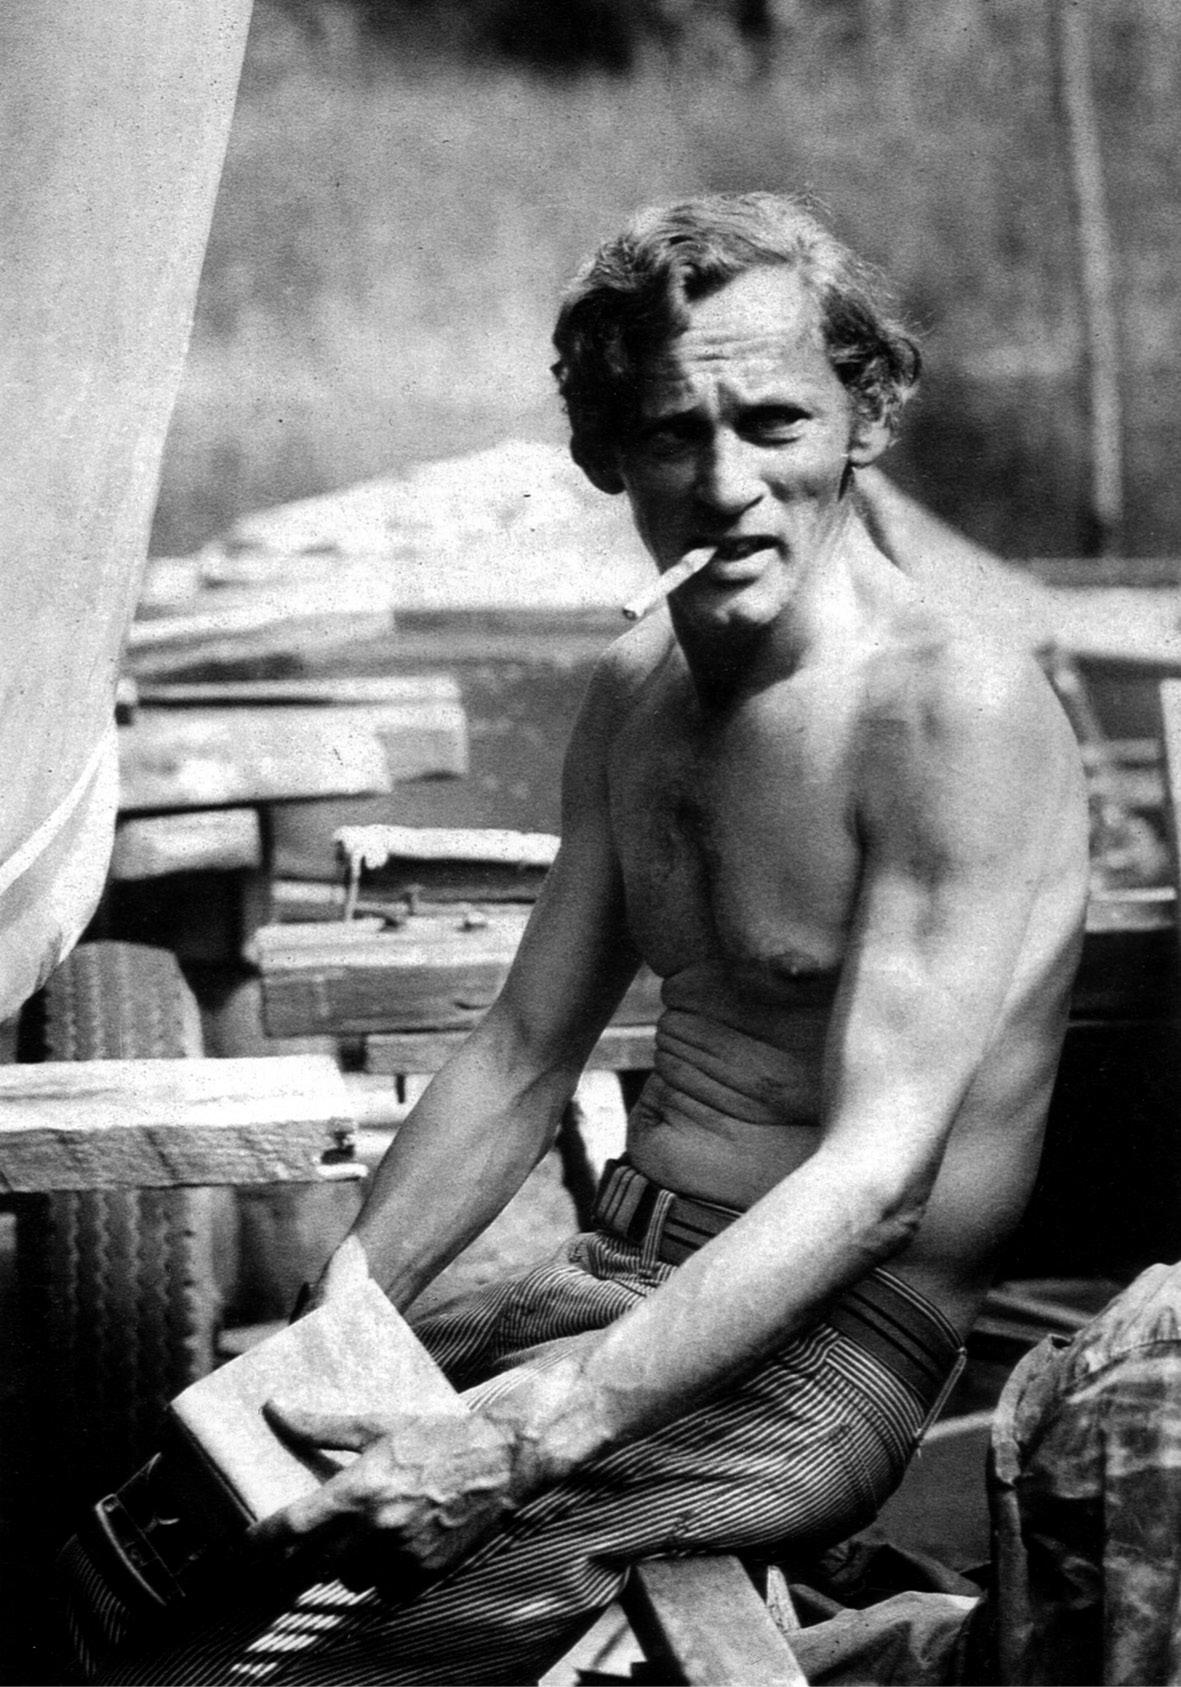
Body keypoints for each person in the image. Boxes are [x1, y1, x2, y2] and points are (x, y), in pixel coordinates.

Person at [91, 190, 1089, 1686]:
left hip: (820, 1354)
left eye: (774, 423)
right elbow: (519, 1055)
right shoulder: (639, 692)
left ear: (865, 419)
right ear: (607, 452)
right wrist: (347, 1304)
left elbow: (876, 1183)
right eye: (675, 435)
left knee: (295, 1674)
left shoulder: (951, 709)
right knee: (123, 1590)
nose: (727, 485)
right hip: (605, 1277)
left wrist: (520, 1434)